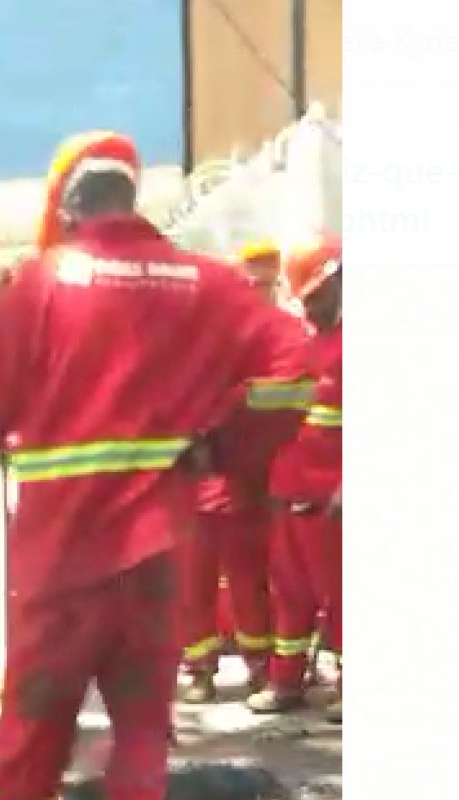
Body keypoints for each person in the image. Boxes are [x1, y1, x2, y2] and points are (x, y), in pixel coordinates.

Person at [0, 131, 306, 800]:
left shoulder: (38, 284)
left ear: (70, 212)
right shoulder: (208, 281)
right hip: (156, 562)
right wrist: (225, 448)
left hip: (62, 568)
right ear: (128, 199)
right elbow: (296, 368)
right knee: (140, 741)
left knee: (31, 745)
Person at [179, 240, 310, 703]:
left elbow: (289, 399)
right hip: (197, 481)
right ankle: (200, 670)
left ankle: (260, 665)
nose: (256, 290)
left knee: (250, 582)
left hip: (251, 482)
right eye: (249, 282)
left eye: (265, 282)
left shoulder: (287, 335)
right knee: (192, 583)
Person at [246, 233, 343, 724]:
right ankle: (286, 681)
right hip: (291, 490)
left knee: (342, 595)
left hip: (332, 498)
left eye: (316, 298)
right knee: (290, 593)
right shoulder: (311, 342)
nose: (309, 309)